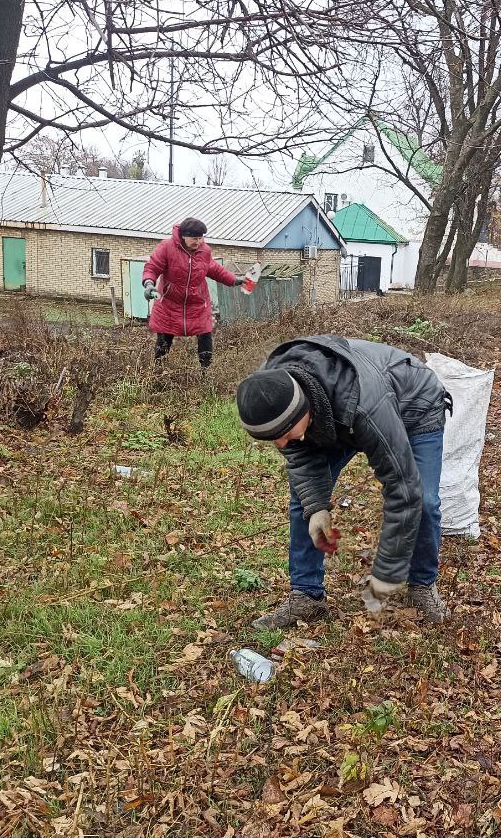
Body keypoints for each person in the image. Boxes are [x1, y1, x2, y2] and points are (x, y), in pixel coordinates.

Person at [235, 336, 452, 630]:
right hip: (335, 417)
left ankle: (421, 585)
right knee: (303, 501)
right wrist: (316, 509)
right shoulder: (272, 392)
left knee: (423, 500)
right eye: (272, 438)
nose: (281, 444)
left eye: (284, 434)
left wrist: (386, 574)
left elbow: (403, 490)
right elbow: (299, 455)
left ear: (303, 410)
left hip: (413, 404)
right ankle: (306, 596)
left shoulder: (366, 404)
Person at [142, 218, 239, 370]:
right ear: (183, 236)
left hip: (197, 302)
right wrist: (149, 284)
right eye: (195, 239)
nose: (198, 242)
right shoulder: (167, 247)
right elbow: (152, 267)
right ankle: (156, 372)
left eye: (200, 238)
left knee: (205, 335)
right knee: (164, 340)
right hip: (170, 303)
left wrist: (234, 280)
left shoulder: (205, 251)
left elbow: (214, 269)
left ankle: (206, 372)